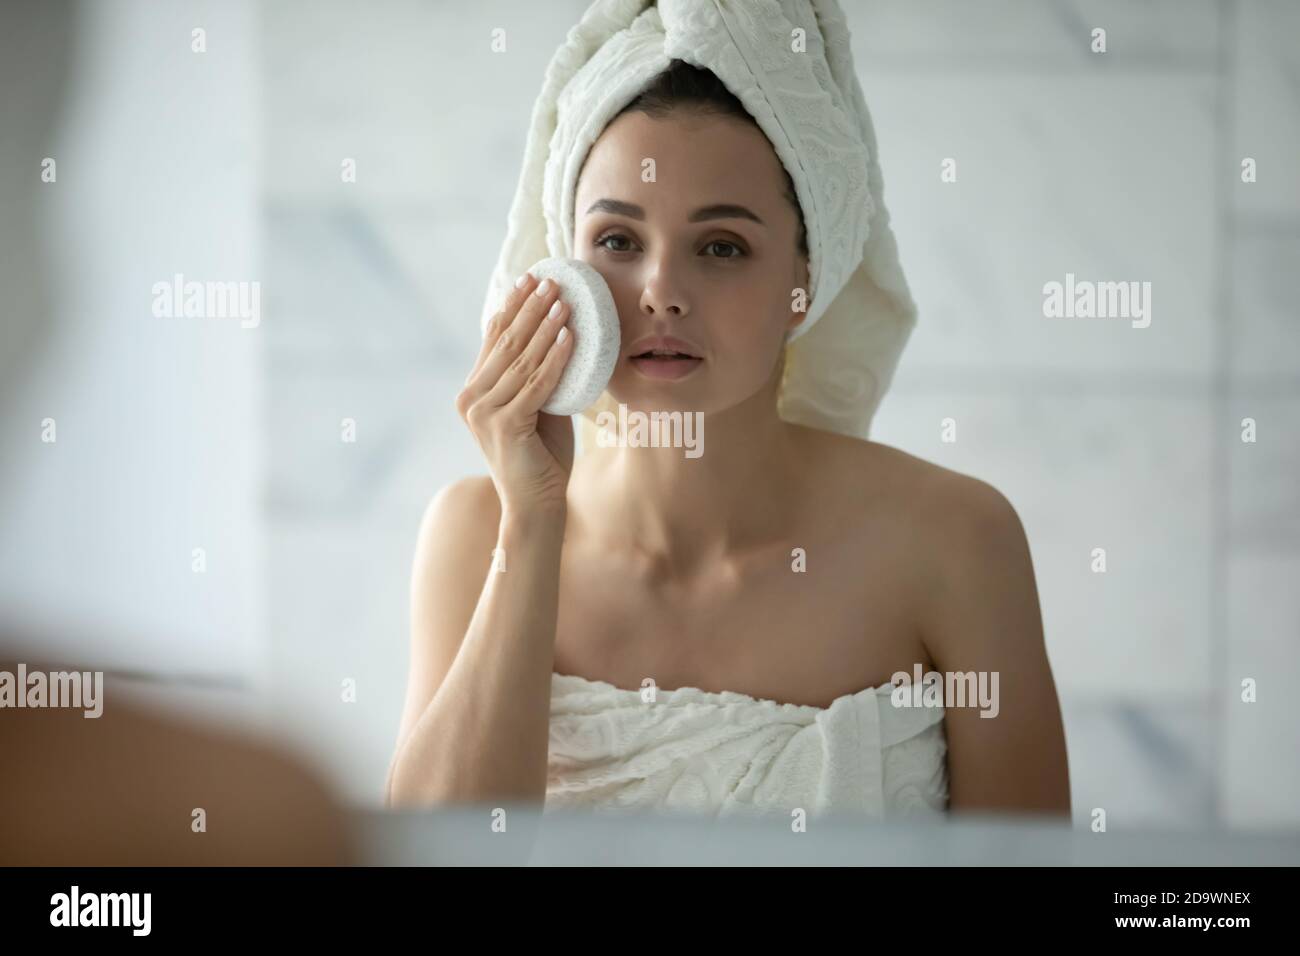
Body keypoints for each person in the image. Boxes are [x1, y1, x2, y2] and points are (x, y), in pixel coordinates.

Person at [387, 4, 1069, 821]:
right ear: (561, 270)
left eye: (721, 247)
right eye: (616, 241)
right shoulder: (474, 535)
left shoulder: (959, 544)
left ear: (805, 282)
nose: (662, 294)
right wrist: (531, 529)